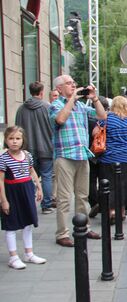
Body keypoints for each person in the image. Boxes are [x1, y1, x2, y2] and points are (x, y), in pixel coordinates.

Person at [49, 75, 104, 247]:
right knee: (64, 198)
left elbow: (102, 116)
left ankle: (84, 227)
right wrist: (71, 100)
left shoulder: (81, 106)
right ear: (59, 89)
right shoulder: (55, 105)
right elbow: (60, 119)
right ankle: (62, 233)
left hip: (82, 155)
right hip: (65, 156)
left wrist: (94, 98)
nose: (73, 85)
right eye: (69, 83)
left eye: (74, 83)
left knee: (83, 196)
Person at [0, 126, 47, 269]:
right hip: (12, 192)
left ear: (23, 140)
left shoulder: (27, 155)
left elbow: (32, 171)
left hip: (26, 191)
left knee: (27, 223)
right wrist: (4, 200)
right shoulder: (3, 158)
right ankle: (13, 257)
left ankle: (29, 253)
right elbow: (0, 180)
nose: (14, 142)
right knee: (12, 225)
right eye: (11, 138)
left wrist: (39, 187)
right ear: (6, 140)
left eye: (17, 138)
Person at [94, 96, 127, 222]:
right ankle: (121, 212)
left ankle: (110, 212)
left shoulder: (106, 120)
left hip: (108, 158)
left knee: (109, 187)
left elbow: (94, 133)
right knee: (124, 187)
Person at [15, 81, 55, 214]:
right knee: (47, 175)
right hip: (46, 147)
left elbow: (17, 129)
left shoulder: (21, 109)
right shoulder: (47, 107)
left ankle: (28, 203)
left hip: (28, 148)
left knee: (30, 176)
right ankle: (46, 205)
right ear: (42, 92)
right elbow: (53, 127)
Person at [87, 96, 110, 218]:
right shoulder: (107, 119)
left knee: (90, 180)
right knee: (104, 180)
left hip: (90, 152)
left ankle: (94, 203)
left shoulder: (87, 118)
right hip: (104, 153)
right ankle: (102, 203)